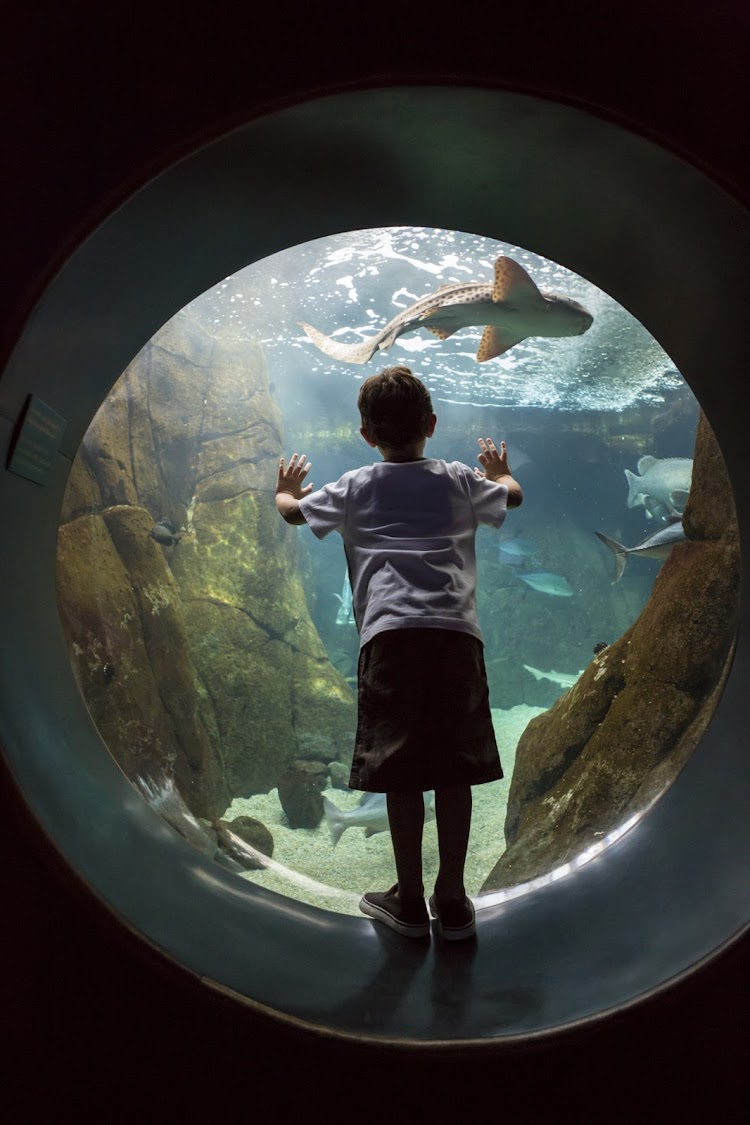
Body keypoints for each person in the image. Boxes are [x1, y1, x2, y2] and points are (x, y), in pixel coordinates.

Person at [275, 365, 523, 941]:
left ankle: (408, 900)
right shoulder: (460, 478)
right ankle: (454, 900)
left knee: (403, 773)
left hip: (389, 639)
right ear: (431, 425)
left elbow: (292, 513)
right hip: (455, 639)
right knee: (454, 771)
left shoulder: (358, 485)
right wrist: (502, 472)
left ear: (366, 435)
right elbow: (512, 498)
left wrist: (285, 488)